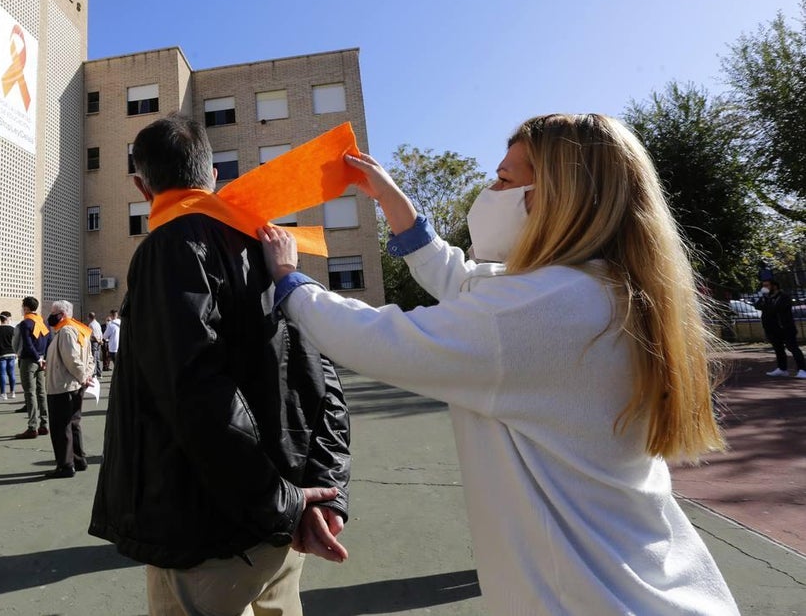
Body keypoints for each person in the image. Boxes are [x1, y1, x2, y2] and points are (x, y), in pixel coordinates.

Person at [257, 113, 739, 615]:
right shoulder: (597, 288)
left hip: (591, 599)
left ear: (559, 196)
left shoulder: (547, 307)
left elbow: (383, 340)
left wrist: (289, 280)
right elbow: (466, 282)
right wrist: (390, 200)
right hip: (650, 584)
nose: (490, 190)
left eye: (505, 180)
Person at [90, 114, 352, 615]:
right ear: (213, 176)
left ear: (141, 188)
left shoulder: (168, 247)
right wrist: (322, 492)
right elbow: (321, 377)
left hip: (209, 528)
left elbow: (196, 394)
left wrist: (284, 501)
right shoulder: (272, 248)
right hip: (281, 519)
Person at [43, 299, 94, 478]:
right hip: (75, 385)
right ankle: (79, 460)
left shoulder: (65, 331)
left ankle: (65, 465)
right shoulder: (81, 329)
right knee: (73, 423)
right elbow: (89, 358)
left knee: (60, 427)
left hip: (62, 386)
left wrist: (82, 376)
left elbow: (71, 358)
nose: (50, 316)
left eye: (53, 312)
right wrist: (86, 376)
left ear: (62, 315)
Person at [755, 278, 806, 378]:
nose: (765, 288)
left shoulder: (783, 297)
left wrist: (766, 301)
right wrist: (762, 297)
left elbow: (776, 308)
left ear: (774, 286)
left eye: (767, 286)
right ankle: (782, 369)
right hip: (772, 328)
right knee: (778, 349)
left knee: (792, 348)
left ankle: (803, 369)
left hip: (785, 328)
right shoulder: (767, 297)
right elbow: (757, 306)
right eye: (763, 286)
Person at [14, 297, 50, 438]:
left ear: (26, 308)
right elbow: (49, 340)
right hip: (41, 360)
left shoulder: (26, 323)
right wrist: (43, 358)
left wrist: (36, 358)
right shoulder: (42, 322)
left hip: (30, 360)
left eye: (23, 307)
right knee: (41, 392)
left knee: (30, 393)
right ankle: (44, 424)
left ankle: (32, 427)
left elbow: (27, 345)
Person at [0, 310, 18, 400]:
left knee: (2, 374)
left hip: (1, 355)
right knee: (12, 373)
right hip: (12, 353)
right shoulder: (13, 330)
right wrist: (17, 352)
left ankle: (3, 393)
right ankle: (12, 392)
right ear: (8, 318)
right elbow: (16, 342)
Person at [87, 311, 103, 378]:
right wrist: (101, 340)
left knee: (94, 358)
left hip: (94, 342)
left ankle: (94, 374)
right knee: (98, 358)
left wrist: (97, 340)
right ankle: (100, 373)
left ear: (89, 317)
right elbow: (100, 333)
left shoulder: (91, 325)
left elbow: (93, 335)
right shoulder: (98, 323)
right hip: (99, 342)